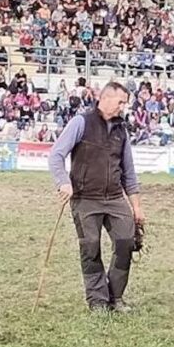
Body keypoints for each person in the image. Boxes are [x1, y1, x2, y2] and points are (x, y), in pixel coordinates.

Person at [48, 82, 145, 313]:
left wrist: (137, 207)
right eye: (120, 102)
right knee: (90, 248)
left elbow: (129, 172)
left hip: (114, 198)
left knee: (125, 243)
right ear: (105, 98)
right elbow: (56, 155)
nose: (123, 107)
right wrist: (63, 182)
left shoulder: (122, 130)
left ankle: (116, 297)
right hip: (84, 199)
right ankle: (97, 300)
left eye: (125, 103)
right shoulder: (81, 122)